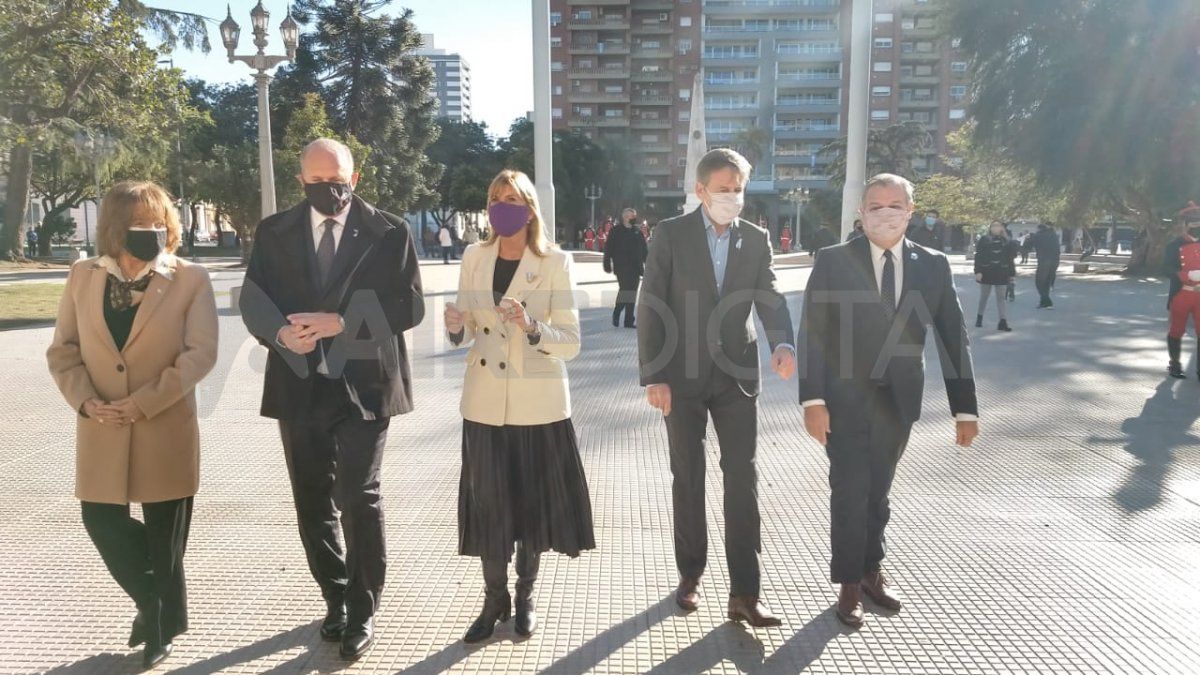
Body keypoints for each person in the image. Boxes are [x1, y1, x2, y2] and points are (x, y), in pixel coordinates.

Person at [239, 138, 425, 660]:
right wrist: (280, 334)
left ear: (355, 178)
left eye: (338, 179)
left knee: (359, 497)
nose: (329, 189)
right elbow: (254, 298)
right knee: (312, 499)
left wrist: (342, 322)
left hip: (365, 386)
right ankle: (336, 596)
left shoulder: (390, 231)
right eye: (318, 181)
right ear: (301, 181)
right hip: (299, 383)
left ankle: (364, 608)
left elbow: (409, 305)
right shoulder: (274, 232)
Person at [46, 181, 219, 669]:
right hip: (101, 426)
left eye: (158, 222)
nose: (151, 231)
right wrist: (85, 402)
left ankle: (159, 631)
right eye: (139, 223)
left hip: (164, 426)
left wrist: (143, 403)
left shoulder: (190, 278)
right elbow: (63, 350)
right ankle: (159, 605)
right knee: (101, 521)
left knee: (166, 539)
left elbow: (200, 354)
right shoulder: (83, 275)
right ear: (115, 228)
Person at [798, 173, 978, 628]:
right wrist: (812, 399)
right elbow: (813, 331)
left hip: (899, 398)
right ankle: (849, 583)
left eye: (895, 205)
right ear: (861, 213)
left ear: (910, 211)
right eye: (875, 206)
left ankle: (871, 570)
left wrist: (965, 408)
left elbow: (953, 337)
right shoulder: (834, 260)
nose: (885, 213)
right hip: (842, 398)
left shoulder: (933, 265)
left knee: (878, 490)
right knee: (849, 487)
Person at [638, 148, 796, 627]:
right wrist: (654, 374)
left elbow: (770, 294)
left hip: (736, 376)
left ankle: (745, 592)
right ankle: (691, 574)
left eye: (738, 189)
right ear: (701, 190)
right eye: (723, 189)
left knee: (742, 478)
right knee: (688, 476)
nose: (732, 197)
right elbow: (651, 303)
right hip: (680, 376)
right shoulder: (671, 234)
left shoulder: (756, 238)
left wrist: (782, 342)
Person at [444, 169, 594, 643]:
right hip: (484, 403)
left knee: (531, 508)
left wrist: (531, 326)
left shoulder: (554, 262)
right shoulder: (474, 256)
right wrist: (455, 325)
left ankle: (525, 597)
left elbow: (570, 342)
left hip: (537, 405)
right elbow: (468, 329)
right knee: (489, 507)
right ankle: (495, 600)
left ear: (530, 210)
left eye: (512, 199)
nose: (501, 207)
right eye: (495, 198)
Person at [1163, 203, 1200, 378]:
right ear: (1184, 225)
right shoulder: (1173, 246)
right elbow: (1165, 268)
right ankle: (1175, 364)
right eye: (1192, 224)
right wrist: (1185, 275)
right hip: (1181, 294)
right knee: (1176, 330)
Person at [604, 207, 649, 328]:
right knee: (625, 290)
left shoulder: (637, 232)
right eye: (631, 216)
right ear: (625, 217)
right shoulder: (615, 231)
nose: (634, 218)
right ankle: (617, 311)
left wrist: (649, 264)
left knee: (632, 293)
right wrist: (607, 263)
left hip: (636, 267)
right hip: (621, 266)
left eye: (634, 216)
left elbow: (644, 250)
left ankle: (628, 321)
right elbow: (608, 248)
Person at [973, 220, 1018, 331]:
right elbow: (978, 256)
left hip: (1002, 272)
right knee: (984, 296)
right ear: (990, 228)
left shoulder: (1007, 241)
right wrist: (978, 271)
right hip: (986, 271)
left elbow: (1010, 259)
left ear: (1002, 228)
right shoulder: (984, 239)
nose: (995, 227)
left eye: (998, 225)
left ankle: (1002, 321)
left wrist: (1012, 274)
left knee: (1001, 298)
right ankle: (979, 317)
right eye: (993, 226)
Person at [1029, 222, 1061, 308]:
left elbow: (1029, 245)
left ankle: (1047, 301)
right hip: (1055, 261)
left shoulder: (1038, 235)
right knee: (1047, 282)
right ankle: (1043, 302)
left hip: (1044, 261)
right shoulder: (1054, 235)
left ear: (1039, 229)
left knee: (1039, 282)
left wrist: (1030, 237)